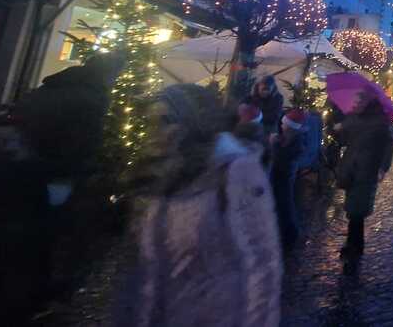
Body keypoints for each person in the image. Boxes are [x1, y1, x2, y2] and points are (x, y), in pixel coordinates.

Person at [116, 84, 281, 326]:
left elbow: (262, 264)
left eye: (166, 120)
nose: (156, 131)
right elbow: (141, 270)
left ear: (191, 122)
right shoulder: (152, 175)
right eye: (149, 121)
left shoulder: (235, 170)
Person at [14, 53, 125, 311]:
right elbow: (83, 143)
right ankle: (42, 293)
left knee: (31, 229)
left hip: (28, 166)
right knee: (55, 233)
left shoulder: (54, 86)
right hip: (59, 173)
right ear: (110, 73)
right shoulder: (92, 98)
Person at [334, 90, 393, 274]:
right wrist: (338, 130)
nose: (357, 102)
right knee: (353, 207)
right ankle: (354, 244)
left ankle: (353, 245)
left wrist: (383, 167)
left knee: (357, 209)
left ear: (368, 103)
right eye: (356, 99)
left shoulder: (380, 122)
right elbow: (344, 141)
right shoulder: (352, 118)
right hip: (350, 167)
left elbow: (387, 146)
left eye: (360, 100)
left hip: (367, 168)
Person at [269, 107, 307, 251]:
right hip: (282, 176)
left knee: (285, 206)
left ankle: (290, 235)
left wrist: (274, 145)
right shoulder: (288, 138)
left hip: (284, 177)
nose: (281, 125)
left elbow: (283, 159)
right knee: (283, 205)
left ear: (291, 127)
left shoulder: (296, 143)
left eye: (284, 124)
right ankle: (287, 233)